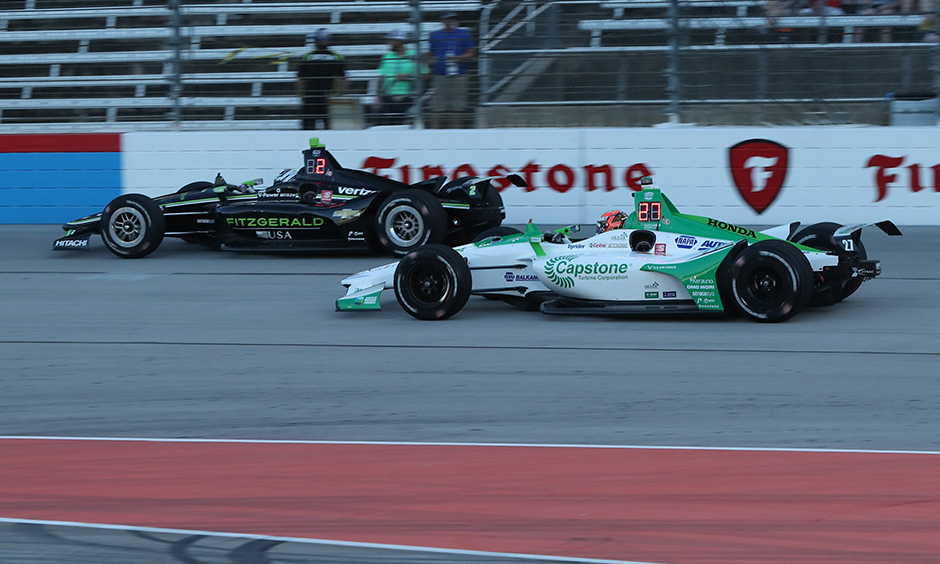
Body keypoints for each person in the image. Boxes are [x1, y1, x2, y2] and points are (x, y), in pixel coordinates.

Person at [427, 11, 477, 129]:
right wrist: (428, 66)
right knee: (437, 106)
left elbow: (471, 52)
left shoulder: (464, 34)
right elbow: (431, 53)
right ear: (443, 22)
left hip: (459, 73)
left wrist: (459, 58)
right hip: (440, 73)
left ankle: (455, 131)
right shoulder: (435, 35)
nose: (449, 22)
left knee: (457, 106)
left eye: (452, 20)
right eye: (447, 20)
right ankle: (435, 132)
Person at [373, 29, 427, 126]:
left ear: (400, 41)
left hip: (408, 97)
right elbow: (381, 78)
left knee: (406, 126)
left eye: (391, 41)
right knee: (387, 126)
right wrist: (378, 98)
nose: (389, 43)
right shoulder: (387, 56)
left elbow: (425, 75)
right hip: (388, 97)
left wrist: (409, 76)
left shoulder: (415, 56)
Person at [297, 28, 347, 130]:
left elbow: (300, 80)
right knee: (330, 126)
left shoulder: (308, 56)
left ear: (315, 42)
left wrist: (301, 95)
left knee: (308, 127)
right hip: (329, 97)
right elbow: (343, 80)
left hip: (310, 96)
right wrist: (339, 96)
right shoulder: (337, 57)